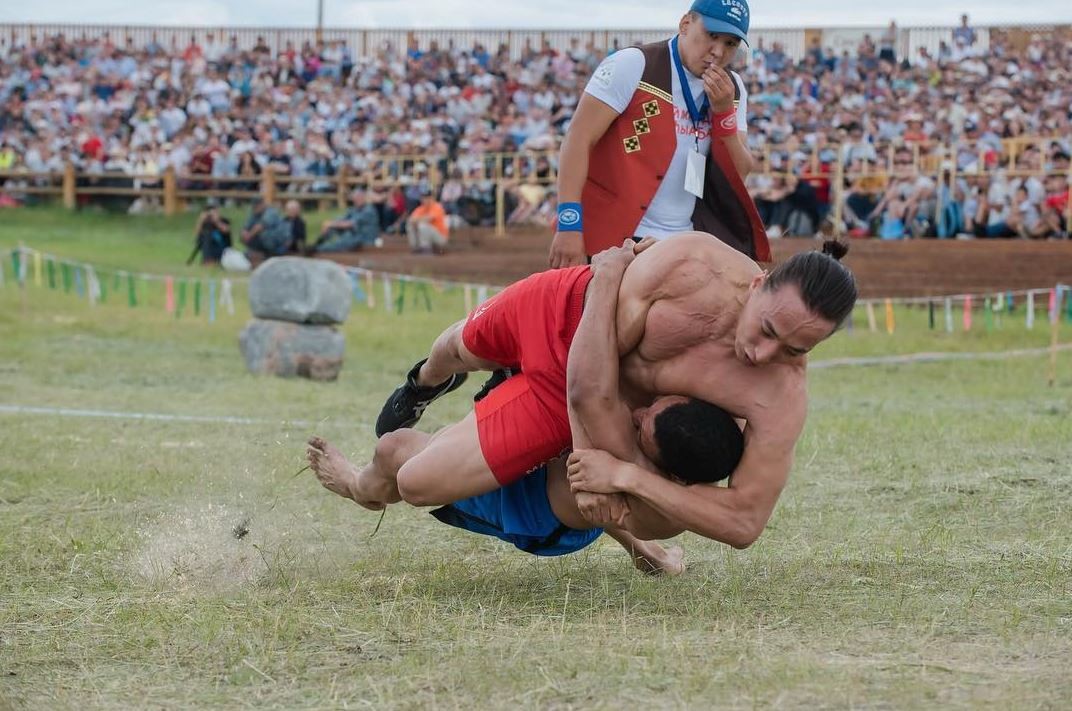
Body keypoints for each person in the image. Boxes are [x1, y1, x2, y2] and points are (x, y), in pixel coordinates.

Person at [365, 234, 855, 548]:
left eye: (795, 349)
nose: (764, 355)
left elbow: (745, 523)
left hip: (598, 401)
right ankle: (426, 382)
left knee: (418, 483)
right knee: (458, 348)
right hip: (569, 320)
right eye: (768, 330)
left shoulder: (781, 397)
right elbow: (589, 374)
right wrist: (587, 466)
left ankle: (484, 417)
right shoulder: (690, 267)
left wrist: (619, 475)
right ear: (757, 283)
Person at [548, 0, 769, 268]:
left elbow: (740, 173)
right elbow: (578, 139)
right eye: (712, 36)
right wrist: (569, 223)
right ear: (685, 23)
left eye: (731, 43)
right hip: (612, 237)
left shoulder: (733, 89)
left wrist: (723, 115)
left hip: (683, 243)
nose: (718, 51)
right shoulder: (633, 64)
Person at [309, 188, 382, 254]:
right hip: (355, 235)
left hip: (365, 239)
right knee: (333, 228)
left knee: (342, 242)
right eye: (355, 199)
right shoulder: (354, 209)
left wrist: (330, 224)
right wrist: (328, 224)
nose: (356, 200)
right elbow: (342, 219)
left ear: (364, 198)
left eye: (359, 198)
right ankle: (317, 244)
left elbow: (349, 224)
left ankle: (318, 249)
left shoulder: (369, 210)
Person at [186, 199, 232, 265]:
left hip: (222, 248)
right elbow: (197, 234)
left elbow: (226, 230)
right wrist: (201, 220)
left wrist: (216, 221)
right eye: (208, 210)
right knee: (206, 235)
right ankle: (208, 260)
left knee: (207, 235)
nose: (210, 213)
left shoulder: (224, 220)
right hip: (209, 247)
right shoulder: (205, 223)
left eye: (213, 210)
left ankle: (208, 261)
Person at [407, 189, 450, 254]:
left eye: (427, 197)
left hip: (440, 237)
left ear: (432, 198)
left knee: (422, 225)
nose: (425, 199)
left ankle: (426, 248)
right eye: (424, 197)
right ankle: (416, 247)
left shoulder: (437, 207)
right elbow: (410, 220)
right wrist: (416, 220)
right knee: (410, 225)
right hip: (430, 234)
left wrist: (417, 220)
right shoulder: (420, 208)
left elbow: (429, 219)